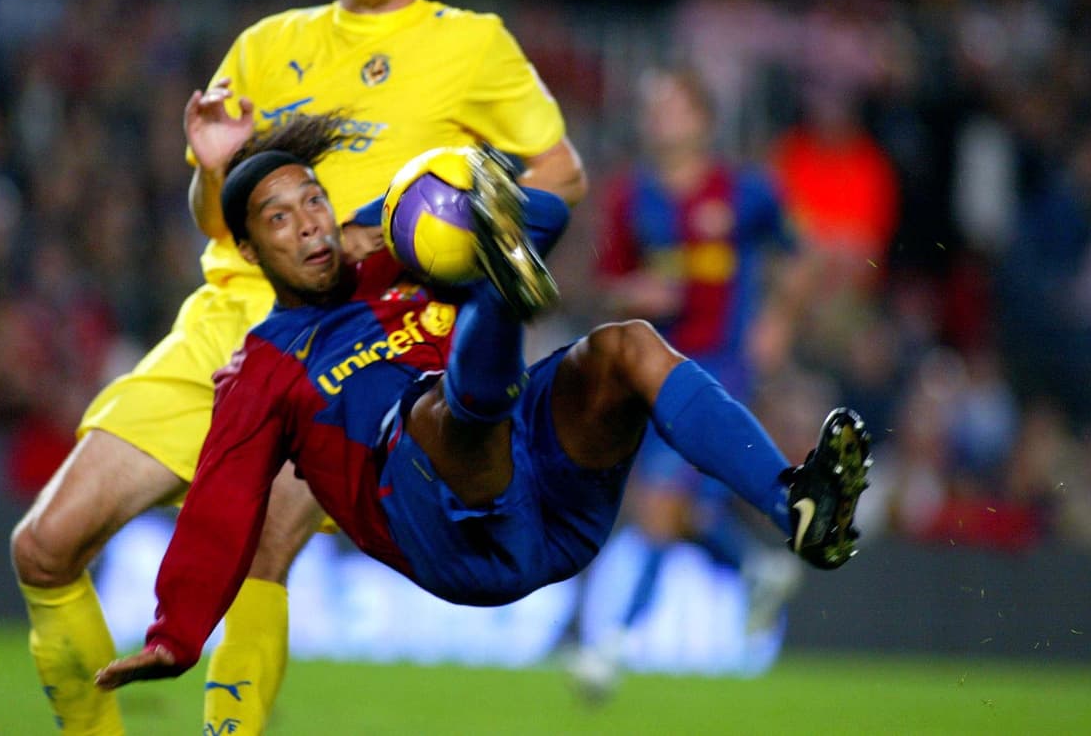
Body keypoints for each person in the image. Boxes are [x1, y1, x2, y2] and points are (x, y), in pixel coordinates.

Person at [8, 0, 586, 735]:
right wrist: (212, 167)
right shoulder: (266, 46)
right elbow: (217, 220)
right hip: (222, 327)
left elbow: (561, 174)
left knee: (262, 553)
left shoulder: (472, 46)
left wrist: (467, 243)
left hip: (345, 345)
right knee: (44, 547)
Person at [92, 113, 872, 690]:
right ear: (253, 251)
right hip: (448, 531)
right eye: (280, 218)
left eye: (314, 201)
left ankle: (791, 503)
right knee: (435, 412)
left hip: (552, 502)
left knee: (626, 345)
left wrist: (423, 213)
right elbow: (223, 500)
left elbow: (554, 216)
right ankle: (499, 295)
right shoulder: (261, 366)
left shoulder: (392, 256)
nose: (310, 225)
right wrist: (177, 634)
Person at [564, 67, 811, 698]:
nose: (658, 118)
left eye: (672, 106)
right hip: (655, 368)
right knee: (684, 509)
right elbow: (604, 284)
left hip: (722, 365)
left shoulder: (746, 190)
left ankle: (610, 645)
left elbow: (799, 254)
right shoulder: (628, 196)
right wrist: (632, 291)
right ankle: (754, 566)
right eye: (651, 108)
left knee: (657, 503)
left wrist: (779, 318)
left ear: (702, 118)